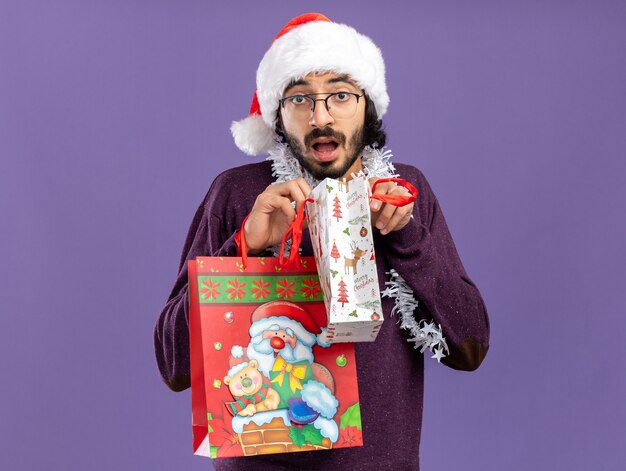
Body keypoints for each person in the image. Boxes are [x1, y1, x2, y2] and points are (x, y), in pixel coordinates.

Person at [154, 12, 490, 471]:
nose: (321, 116)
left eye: (340, 95)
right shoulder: (237, 195)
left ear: (367, 105)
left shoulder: (405, 191)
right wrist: (242, 246)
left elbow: (470, 347)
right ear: (277, 113)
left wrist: (406, 235)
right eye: (300, 99)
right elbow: (174, 366)